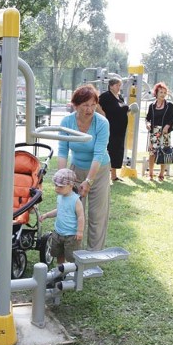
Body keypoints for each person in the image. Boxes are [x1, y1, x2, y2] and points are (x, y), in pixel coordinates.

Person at [57, 84, 111, 252]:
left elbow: (99, 154)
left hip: (99, 170)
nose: (89, 109)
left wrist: (89, 181)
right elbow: (62, 150)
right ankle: (72, 253)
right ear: (75, 105)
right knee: (72, 211)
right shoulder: (67, 122)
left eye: (93, 104)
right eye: (85, 105)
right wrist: (63, 177)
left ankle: (93, 256)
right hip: (75, 169)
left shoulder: (101, 123)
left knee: (96, 215)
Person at [38, 168, 85, 264]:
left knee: (71, 256)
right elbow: (59, 210)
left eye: (60, 187)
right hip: (58, 233)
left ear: (71, 185)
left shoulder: (75, 200)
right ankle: (60, 270)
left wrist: (80, 231)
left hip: (71, 236)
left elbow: (81, 216)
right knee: (58, 253)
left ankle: (72, 273)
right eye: (56, 185)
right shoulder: (60, 196)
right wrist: (47, 215)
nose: (57, 188)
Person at [98, 77, 129, 182]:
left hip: (120, 129)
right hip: (111, 128)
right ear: (111, 86)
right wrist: (103, 114)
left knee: (117, 150)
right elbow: (96, 103)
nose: (119, 87)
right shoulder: (106, 96)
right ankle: (104, 175)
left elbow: (122, 109)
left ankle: (114, 176)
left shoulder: (120, 97)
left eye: (120, 85)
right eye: (117, 85)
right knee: (109, 149)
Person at [145, 82, 173, 181]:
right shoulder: (152, 106)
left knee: (164, 153)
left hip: (165, 133)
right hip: (154, 132)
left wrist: (167, 126)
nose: (163, 94)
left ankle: (161, 174)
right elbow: (147, 118)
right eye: (161, 92)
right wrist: (147, 124)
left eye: (164, 92)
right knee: (152, 153)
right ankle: (150, 174)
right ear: (156, 93)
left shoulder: (169, 105)